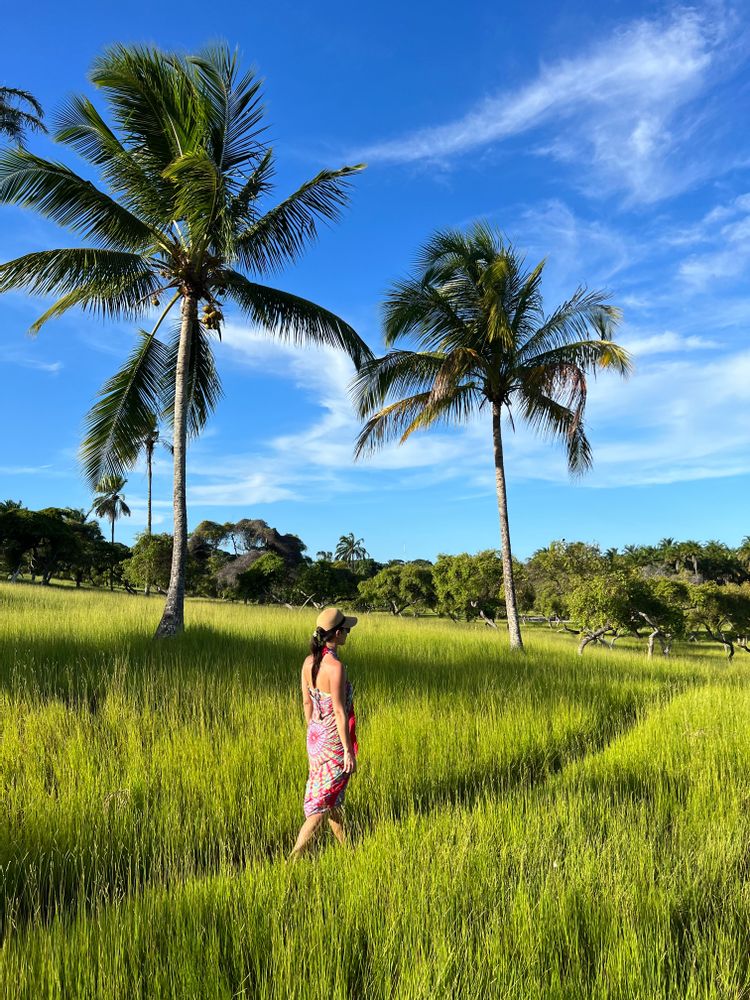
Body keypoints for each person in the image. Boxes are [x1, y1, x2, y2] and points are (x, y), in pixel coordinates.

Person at [289, 607, 358, 857]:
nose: (348, 634)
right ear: (337, 634)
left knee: (332, 799)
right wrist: (348, 752)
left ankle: (349, 851)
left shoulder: (308, 662)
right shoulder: (335, 667)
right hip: (333, 742)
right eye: (346, 630)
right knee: (321, 803)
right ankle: (294, 858)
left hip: (315, 738)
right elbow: (340, 713)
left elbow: (307, 703)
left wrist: (314, 732)